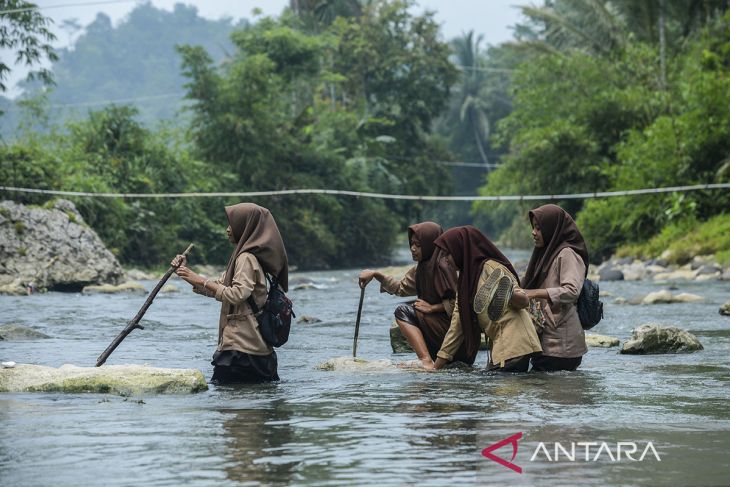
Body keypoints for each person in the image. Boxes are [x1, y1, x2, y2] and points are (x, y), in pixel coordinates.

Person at [173, 202, 288, 383]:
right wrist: (186, 274)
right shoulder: (245, 256)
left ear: (245, 227)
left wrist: (200, 280)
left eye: (232, 224)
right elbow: (220, 287)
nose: (227, 229)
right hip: (253, 351)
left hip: (241, 351)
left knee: (228, 404)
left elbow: (236, 294)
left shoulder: (245, 258)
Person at [430, 226, 542, 372]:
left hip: (513, 345)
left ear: (460, 250)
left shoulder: (491, 267)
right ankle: (507, 293)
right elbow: (457, 326)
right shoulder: (465, 283)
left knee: (499, 391)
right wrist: (436, 366)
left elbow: (524, 302)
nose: (445, 260)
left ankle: (509, 293)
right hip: (503, 348)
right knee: (494, 387)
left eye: (448, 254)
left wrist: (433, 369)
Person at [358, 222, 464, 368]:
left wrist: (433, 308)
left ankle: (425, 360)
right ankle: (427, 359)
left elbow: (460, 303)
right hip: (441, 332)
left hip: (455, 336)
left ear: (429, 244)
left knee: (403, 311)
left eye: (418, 245)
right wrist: (376, 275)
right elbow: (401, 288)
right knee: (411, 307)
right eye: (412, 244)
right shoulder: (420, 269)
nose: (413, 249)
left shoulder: (445, 266)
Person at [518, 204, 588, 372]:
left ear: (552, 229)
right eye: (533, 227)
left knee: (552, 395)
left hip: (561, 346)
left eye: (539, 228)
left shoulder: (568, 254)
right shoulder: (545, 254)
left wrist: (533, 293)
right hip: (545, 341)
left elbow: (571, 291)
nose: (533, 232)